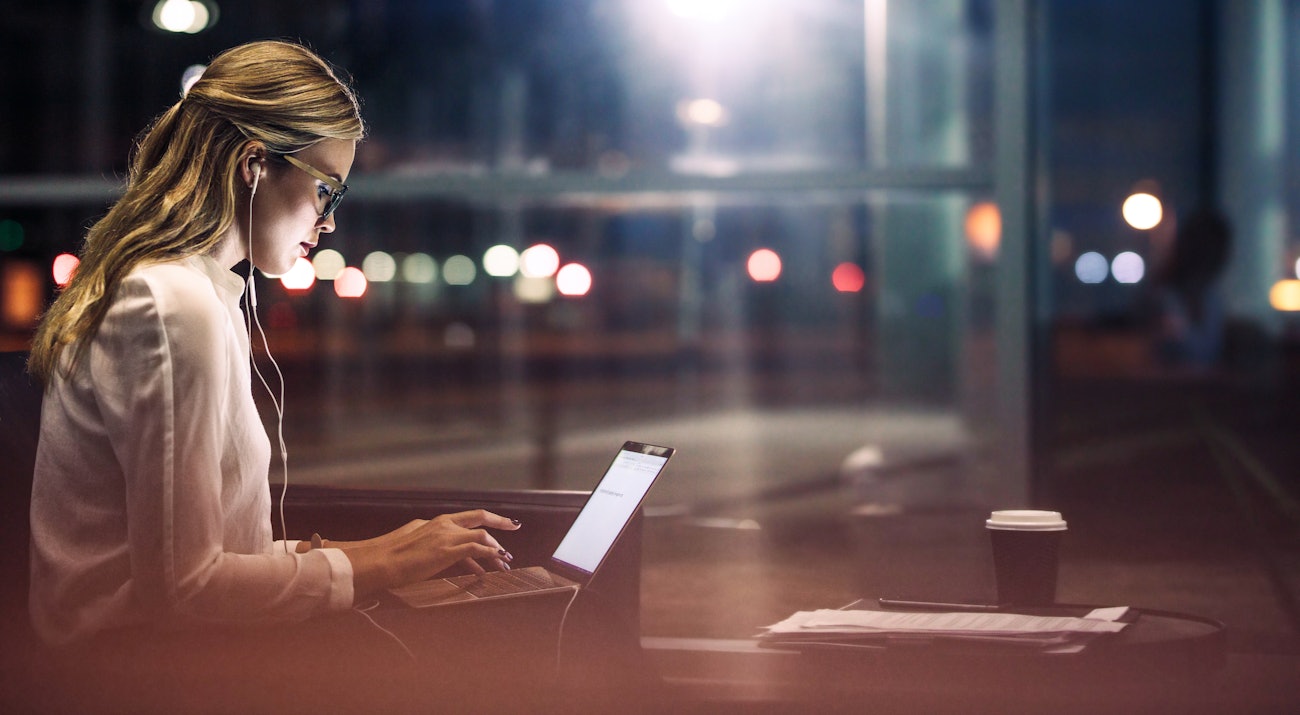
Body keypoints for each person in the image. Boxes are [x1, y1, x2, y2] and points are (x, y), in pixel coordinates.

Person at [24, 40, 520, 711]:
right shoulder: (173, 305)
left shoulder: (202, 293)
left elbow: (209, 553)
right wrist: (380, 563)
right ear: (255, 163)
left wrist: (384, 547)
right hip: (135, 674)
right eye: (326, 189)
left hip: (158, 658)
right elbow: (185, 589)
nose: (331, 219)